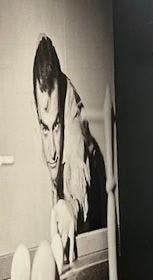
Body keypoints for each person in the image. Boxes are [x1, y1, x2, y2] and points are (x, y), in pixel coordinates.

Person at [33, 34, 106, 264]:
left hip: (91, 188)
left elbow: (78, 178)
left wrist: (72, 208)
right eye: (45, 128)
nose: (52, 150)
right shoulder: (38, 97)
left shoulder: (71, 109)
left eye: (56, 126)